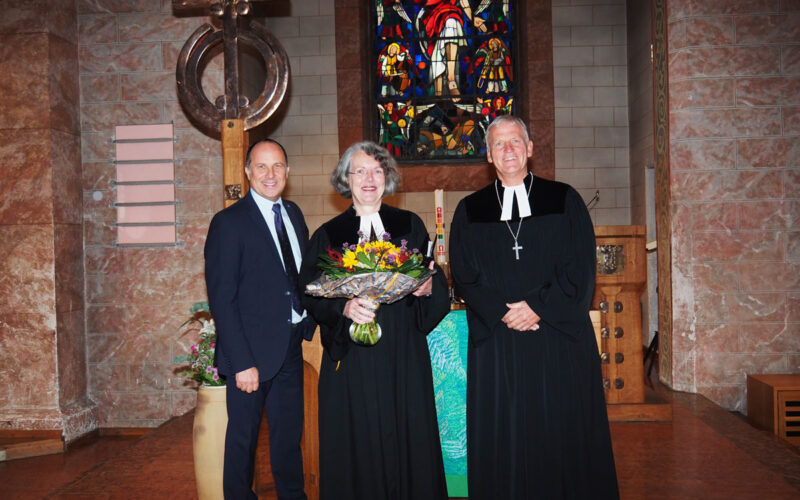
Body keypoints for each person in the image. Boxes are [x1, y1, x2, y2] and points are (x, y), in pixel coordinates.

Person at [449, 115, 620, 499]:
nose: (507, 150)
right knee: (505, 432)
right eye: (498, 144)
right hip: (500, 342)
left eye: (515, 142)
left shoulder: (564, 200)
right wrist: (503, 312)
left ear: (529, 149)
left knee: (560, 428)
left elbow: (580, 267)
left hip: (555, 338)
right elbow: (464, 273)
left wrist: (538, 307)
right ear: (488, 155)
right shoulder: (470, 209)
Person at [299, 141, 450, 500]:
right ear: (346, 180)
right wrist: (343, 309)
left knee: (407, 434)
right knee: (357, 438)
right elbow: (309, 293)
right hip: (353, 359)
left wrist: (427, 288)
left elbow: (434, 276)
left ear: (388, 178)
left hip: (402, 354)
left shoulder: (410, 225)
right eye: (360, 171)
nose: (369, 178)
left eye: (377, 171)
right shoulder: (327, 234)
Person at [204, 139, 315, 500]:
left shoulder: (295, 214)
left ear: (288, 171)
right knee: (243, 443)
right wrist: (243, 362)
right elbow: (222, 299)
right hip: (249, 355)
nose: (271, 174)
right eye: (262, 167)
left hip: (289, 348)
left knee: (287, 440)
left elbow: (300, 277)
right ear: (248, 171)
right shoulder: (229, 223)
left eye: (278, 166)